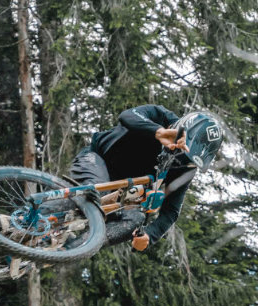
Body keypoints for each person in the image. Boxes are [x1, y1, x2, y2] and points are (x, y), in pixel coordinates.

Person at [67, 105, 223, 251]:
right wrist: (158, 132)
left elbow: (171, 210)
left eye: (189, 160)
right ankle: (45, 211)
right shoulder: (160, 117)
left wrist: (149, 235)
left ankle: (74, 248)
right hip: (97, 159)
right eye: (183, 154)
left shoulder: (186, 168)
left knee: (135, 219)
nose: (181, 161)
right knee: (97, 190)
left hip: (125, 190)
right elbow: (127, 116)